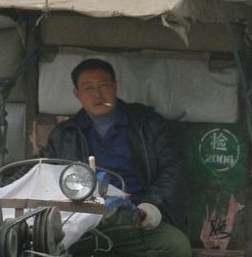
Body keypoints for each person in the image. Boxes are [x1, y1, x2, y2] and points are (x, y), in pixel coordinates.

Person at [34, 58, 192, 257]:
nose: (98, 95)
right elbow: (39, 169)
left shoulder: (146, 123)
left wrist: (152, 204)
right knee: (45, 247)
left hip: (134, 220)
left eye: (104, 86)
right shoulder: (65, 134)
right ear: (77, 94)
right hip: (83, 223)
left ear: (115, 87)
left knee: (175, 246)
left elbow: (173, 167)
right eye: (88, 88)